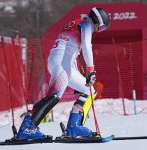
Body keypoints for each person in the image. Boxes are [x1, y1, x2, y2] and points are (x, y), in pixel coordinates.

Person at [17, 7, 110, 140]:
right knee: (55, 96)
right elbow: (86, 45)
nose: (98, 31)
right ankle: (27, 128)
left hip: (63, 62)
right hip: (62, 62)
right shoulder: (87, 24)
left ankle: (74, 127)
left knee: (88, 90)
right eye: (101, 28)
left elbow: (71, 47)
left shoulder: (77, 22)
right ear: (97, 21)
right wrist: (91, 69)